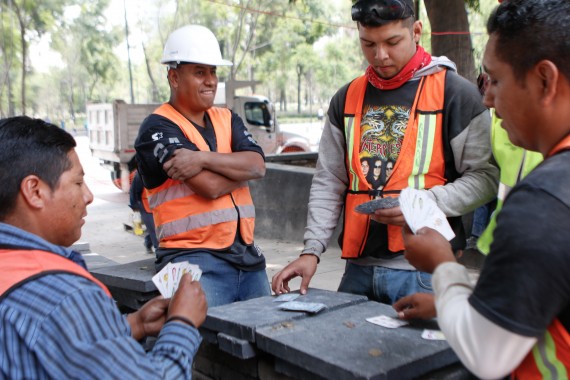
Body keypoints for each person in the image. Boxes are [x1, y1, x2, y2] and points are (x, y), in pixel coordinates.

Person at [272, 0, 498, 304]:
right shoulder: (346, 98)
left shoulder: (456, 95)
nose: (380, 55)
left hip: (423, 272)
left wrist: (422, 204)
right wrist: (311, 251)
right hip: (357, 270)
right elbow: (329, 181)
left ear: (416, 31)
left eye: (392, 42)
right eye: (368, 44)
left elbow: (485, 178)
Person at [401, 1, 570, 378]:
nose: (488, 99)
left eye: (495, 80)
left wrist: (442, 265)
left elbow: (487, 354)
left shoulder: (544, 204)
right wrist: (453, 301)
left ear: (545, 80)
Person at [0, 116, 207, 378]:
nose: (87, 196)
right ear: (35, 191)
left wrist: (133, 324)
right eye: (77, 183)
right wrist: (183, 324)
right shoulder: (67, 296)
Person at [134, 24, 270, 307]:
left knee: (268, 341)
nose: (210, 81)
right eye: (199, 72)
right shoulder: (157, 128)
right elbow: (208, 187)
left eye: (213, 72)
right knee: (200, 346)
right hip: (188, 260)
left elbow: (258, 166)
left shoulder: (226, 118)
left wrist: (202, 158)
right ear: (173, 77)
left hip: (246, 257)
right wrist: (239, 171)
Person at [129, 168, 159, 253]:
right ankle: (159, 253)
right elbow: (133, 191)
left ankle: (148, 242)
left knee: (154, 229)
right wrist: (135, 207)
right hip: (146, 206)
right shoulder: (141, 173)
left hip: (160, 204)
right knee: (154, 229)